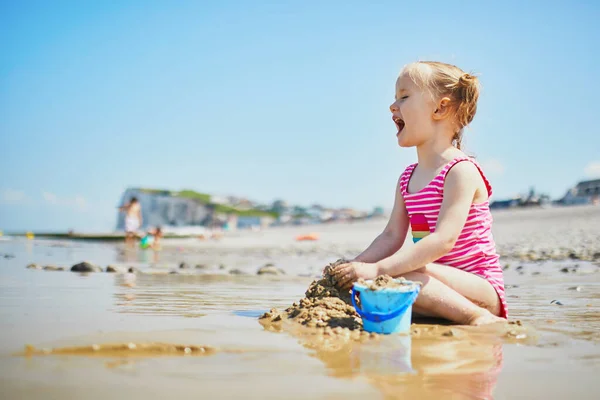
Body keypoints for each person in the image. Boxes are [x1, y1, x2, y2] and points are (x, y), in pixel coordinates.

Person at [331, 61, 507, 326]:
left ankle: (477, 318)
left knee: (398, 274)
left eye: (404, 97)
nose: (393, 106)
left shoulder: (460, 171)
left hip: (478, 287)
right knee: (372, 291)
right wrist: (355, 266)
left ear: (440, 108)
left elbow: (443, 240)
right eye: (394, 98)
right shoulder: (407, 178)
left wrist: (378, 269)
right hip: (430, 283)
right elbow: (391, 236)